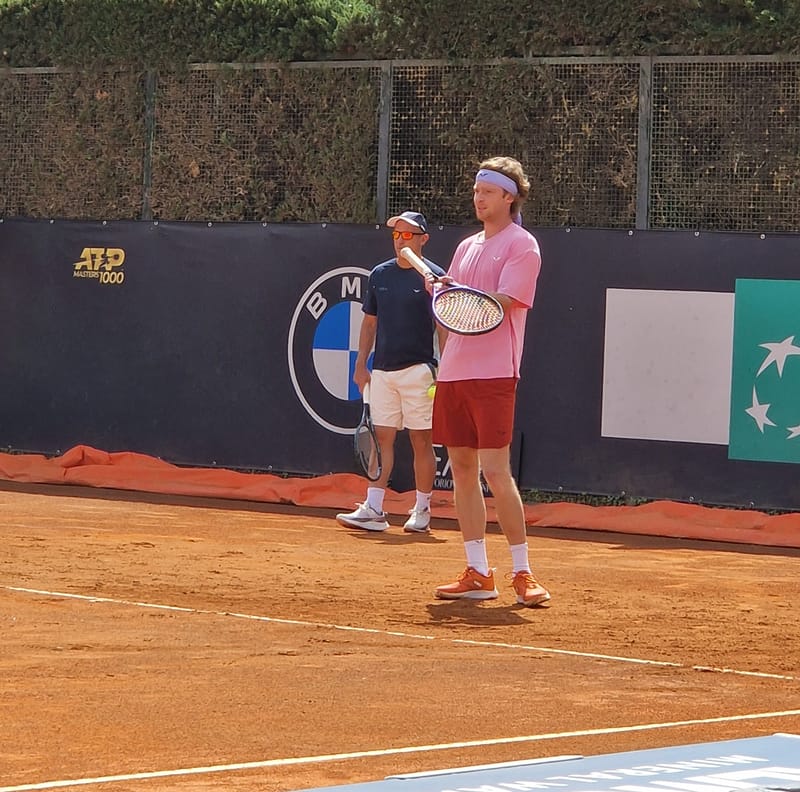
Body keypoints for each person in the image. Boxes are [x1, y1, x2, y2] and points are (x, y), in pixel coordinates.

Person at [430, 157, 551, 607]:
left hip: (496, 371)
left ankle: (523, 572)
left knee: (496, 471)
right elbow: (450, 314)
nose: (478, 198)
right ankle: (479, 571)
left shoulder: (523, 246)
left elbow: (497, 305)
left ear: (509, 197)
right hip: (455, 373)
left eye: (487, 192)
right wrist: (444, 292)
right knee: (461, 470)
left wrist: (455, 294)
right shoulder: (464, 247)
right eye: (476, 190)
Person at [336, 211, 446, 534]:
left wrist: (444, 366)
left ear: (423, 239)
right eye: (396, 235)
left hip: (420, 372)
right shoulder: (379, 275)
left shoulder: (434, 278)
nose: (401, 240)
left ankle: (422, 510)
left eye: (408, 235)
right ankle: (374, 508)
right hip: (383, 372)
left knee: (420, 441)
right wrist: (361, 364)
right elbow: (370, 322)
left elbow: (442, 327)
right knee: (381, 439)